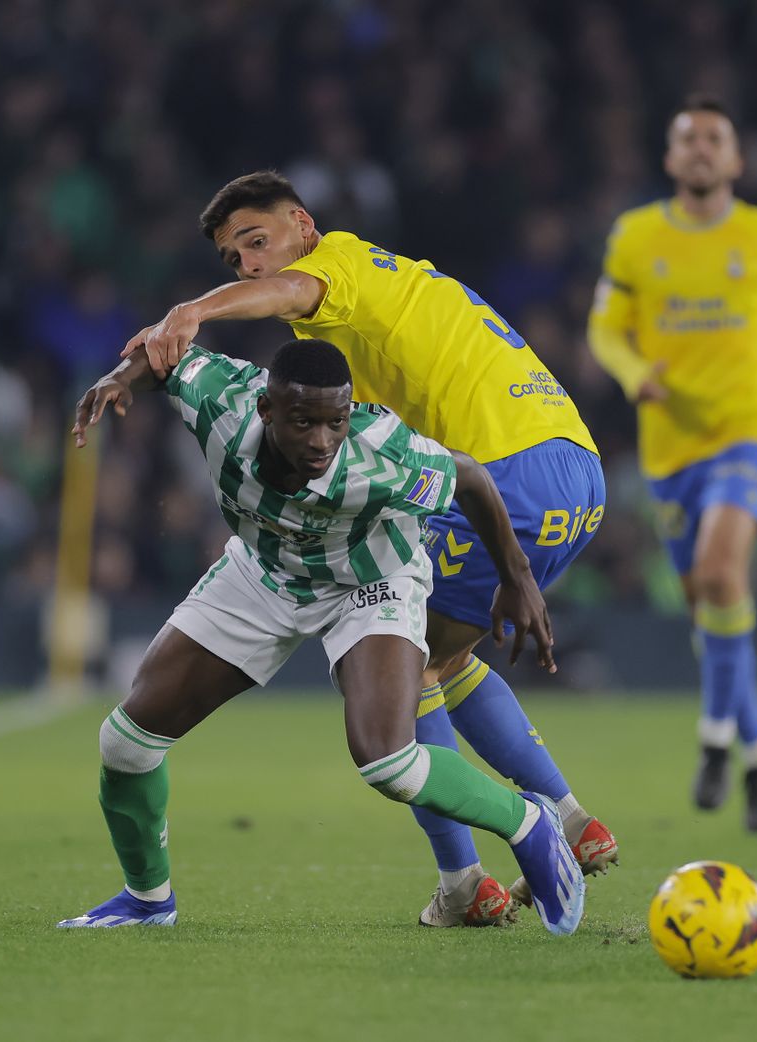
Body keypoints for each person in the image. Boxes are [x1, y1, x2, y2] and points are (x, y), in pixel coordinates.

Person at [120, 172, 617, 926]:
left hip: (505, 470)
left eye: (258, 242)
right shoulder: (375, 289)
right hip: (574, 467)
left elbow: (291, 293)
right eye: (233, 260)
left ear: (303, 225)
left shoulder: (338, 268)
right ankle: (573, 822)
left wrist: (190, 311)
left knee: (400, 675)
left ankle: (468, 879)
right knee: (444, 664)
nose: (251, 266)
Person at [57, 339, 585, 935]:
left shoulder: (380, 453)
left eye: (335, 421)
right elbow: (163, 356)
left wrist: (516, 576)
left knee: (389, 762)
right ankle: (148, 902)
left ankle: (529, 824)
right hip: (264, 573)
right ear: (265, 409)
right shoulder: (222, 400)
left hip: (372, 580)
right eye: (303, 421)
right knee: (126, 745)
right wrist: (120, 377)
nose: (320, 441)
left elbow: (470, 477)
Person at [587, 95, 757, 832]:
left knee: (721, 572)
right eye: (687, 139)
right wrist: (630, 368)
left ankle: (713, 741)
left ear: (736, 160)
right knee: (709, 605)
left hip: (752, 430)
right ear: (670, 159)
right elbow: (604, 326)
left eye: (715, 139)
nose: (701, 149)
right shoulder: (635, 238)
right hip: (670, 446)